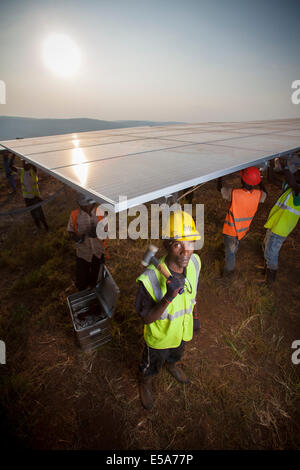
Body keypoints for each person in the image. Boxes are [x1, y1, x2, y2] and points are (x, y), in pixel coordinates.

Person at [135, 210, 201, 410]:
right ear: (166, 246)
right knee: (151, 365)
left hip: (182, 331)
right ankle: (145, 382)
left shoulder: (195, 263)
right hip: (159, 339)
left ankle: (172, 365)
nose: (185, 252)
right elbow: (146, 318)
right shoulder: (149, 279)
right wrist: (168, 297)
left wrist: (195, 316)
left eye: (190, 243)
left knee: (177, 353)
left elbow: (193, 294)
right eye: (177, 244)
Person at [218, 167, 267, 277]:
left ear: (242, 180)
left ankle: (228, 273)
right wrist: (259, 181)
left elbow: (220, 189)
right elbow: (265, 193)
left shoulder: (235, 193)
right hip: (242, 230)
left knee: (230, 254)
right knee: (233, 247)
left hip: (230, 230)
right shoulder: (258, 195)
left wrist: (220, 177)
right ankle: (231, 256)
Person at [263, 159, 300, 285]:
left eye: (297, 173)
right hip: (274, 225)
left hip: (280, 229)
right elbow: (272, 180)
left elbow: (292, 181)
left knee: (271, 253)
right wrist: (268, 165)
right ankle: (267, 270)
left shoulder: (298, 192)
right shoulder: (291, 188)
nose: (295, 174)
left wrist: (285, 166)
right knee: (267, 248)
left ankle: (270, 280)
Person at [67, 193, 106, 291]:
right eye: (85, 205)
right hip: (83, 252)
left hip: (98, 250)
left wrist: (98, 232)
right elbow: (70, 231)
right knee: (82, 277)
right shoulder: (74, 215)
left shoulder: (100, 213)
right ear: (80, 204)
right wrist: (76, 238)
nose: (87, 207)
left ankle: (95, 288)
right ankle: (83, 289)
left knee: (97, 274)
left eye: (89, 204)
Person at [11, 159, 49, 230]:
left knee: (40, 213)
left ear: (30, 164)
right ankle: (39, 228)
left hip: (35, 197)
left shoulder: (33, 171)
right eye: (23, 163)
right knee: (33, 214)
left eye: (26, 163)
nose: (24, 165)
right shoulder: (21, 171)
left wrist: (28, 157)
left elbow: (34, 164)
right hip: (27, 198)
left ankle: (46, 227)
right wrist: (13, 155)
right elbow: (11, 166)